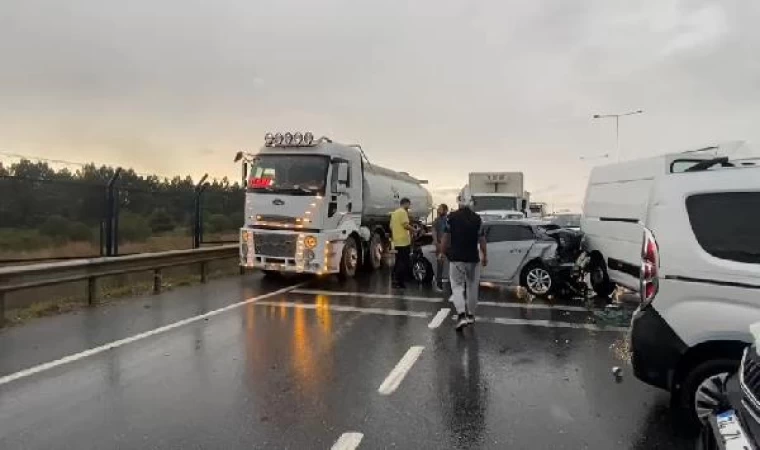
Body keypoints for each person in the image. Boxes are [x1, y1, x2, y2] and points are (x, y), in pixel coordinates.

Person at [441, 194, 487, 330]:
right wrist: (485, 255)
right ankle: (471, 315)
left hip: (456, 259)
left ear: (459, 202)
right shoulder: (478, 219)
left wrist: (442, 252)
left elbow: (445, 237)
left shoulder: (451, 217)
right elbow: (482, 239)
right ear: (471, 203)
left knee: (457, 287)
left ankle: (461, 316)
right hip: (473, 258)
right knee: (473, 287)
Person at [390, 198, 414, 289]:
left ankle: (394, 280)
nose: (409, 206)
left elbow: (391, 226)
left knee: (398, 261)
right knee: (403, 262)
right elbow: (405, 225)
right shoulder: (403, 212)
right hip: (404, 241)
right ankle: (400, 282)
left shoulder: (394, 213)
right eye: (409, 204)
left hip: (397, 241)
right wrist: (414, 230)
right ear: (406, 203)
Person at [431, 204, 449, 291]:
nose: (438, 210)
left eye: (440, 209)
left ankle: (451, 282)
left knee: (452, 264)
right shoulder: (437, 220)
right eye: (438, 209)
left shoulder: (449, 220)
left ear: (445, 210)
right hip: (440, 245)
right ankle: (439, 283)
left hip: (449, 245)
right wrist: (436, 242)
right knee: (440, 264)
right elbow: (434, 231)